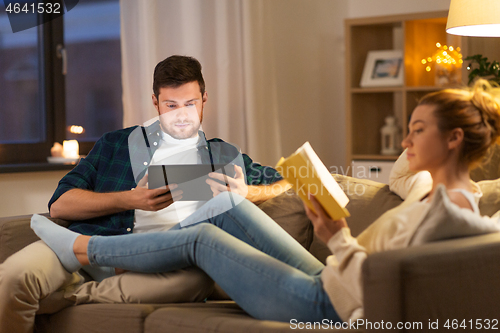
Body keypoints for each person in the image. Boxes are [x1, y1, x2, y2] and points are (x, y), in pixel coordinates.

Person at [31, 80, 500, 323]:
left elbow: (380, 285)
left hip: (327, 304)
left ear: (455, 138)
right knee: (224, 206)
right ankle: (90, 248)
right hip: (334, 279)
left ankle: (83, 250)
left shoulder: (450, 212)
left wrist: (338, 239)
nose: (406, 139)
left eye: (418, 130)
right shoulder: (447, 195)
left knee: (203, 240)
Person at [0, 55, 291, 333]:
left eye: (190, 103)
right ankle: (68, 284)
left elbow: (286, 180)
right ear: (155, 103)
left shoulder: (221, 156)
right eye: (170, 105)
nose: (181, 115)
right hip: (80, 247)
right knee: (13, 278)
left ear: (204, 99)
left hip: (155, 268)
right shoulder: (115, 144)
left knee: (195, 280)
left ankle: (66, 298)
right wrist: (130, 199)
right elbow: (60, 206)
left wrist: (247, 192)